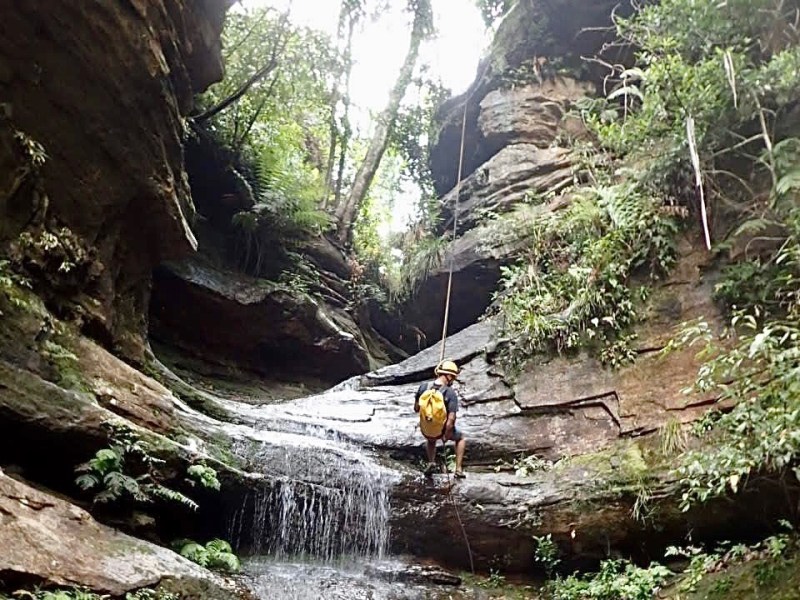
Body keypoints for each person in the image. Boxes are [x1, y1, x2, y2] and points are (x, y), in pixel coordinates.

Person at [413, 359, 466, 478]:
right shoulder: (449, 393)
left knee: (431, 440)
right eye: (452, 377)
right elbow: (451, 421)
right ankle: (458, 469)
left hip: (426, 430)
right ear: (448, 376)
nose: (453, 380)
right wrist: (446, 436)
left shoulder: (423, 387)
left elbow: (416, 408)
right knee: (461, 438)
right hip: (441, 430)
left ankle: (431, 462)